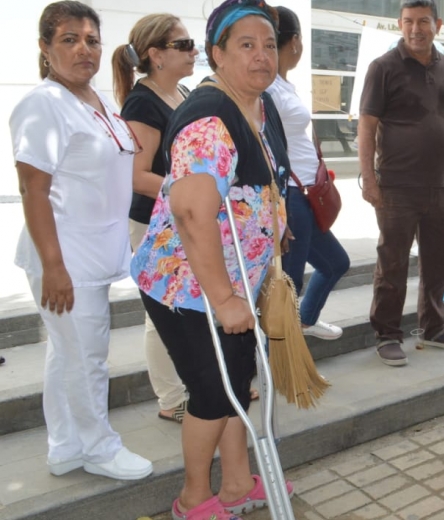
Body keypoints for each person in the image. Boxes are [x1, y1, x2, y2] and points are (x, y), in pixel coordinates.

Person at [131, 1, 294, 517]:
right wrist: (223, 298)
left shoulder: (256, 106)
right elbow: (191, 209)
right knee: (209, 392)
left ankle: (238, 483)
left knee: (236, 383)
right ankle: (194, 497)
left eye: (268, 44)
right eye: (246, 45)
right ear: (217, 54)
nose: (261, 56)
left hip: (230, 282)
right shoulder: (209, 117)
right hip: (185, 286)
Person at [10, 0, 152, 481]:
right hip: (65, 257)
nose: (83, 49)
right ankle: (98, 448)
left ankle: (66, 444)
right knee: (86, 356)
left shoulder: (98, 101)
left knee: (65, 352)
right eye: (69, 39)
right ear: (46, 49)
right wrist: (53, 266)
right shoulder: (42, 105)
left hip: (95, 252)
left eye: (91, 39)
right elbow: (34, 188)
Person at [359, 0, 444, 366]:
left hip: (442, 185)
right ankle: (387, 334)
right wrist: (368, 178)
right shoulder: (383, 68)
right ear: (400, 24)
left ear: (437, 24)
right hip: (396, 185)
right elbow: (367, 125)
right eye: (408, 21)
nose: (415, 29)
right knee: (392, 263)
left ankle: (434, 326)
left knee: (440, 259)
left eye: (423, 21)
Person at [113, 13, 198, 425]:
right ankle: (170, 397)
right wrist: (184, 188)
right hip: (152, 222)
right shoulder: (142, 102)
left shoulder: (180, 91)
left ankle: (200, 387)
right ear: (156, 55)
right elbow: (137, 175)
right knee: (161, 310)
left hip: (181, 218)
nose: (193, 50)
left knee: (187, 305)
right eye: (183, 45)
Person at [269, 5, 350, 341]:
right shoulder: (268, 88)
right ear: (297, 42)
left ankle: (305, 321)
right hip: (290, 196)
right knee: (289, 283)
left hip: (305, 194)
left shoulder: (282, 85)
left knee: (335, 263)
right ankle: (279, 362)